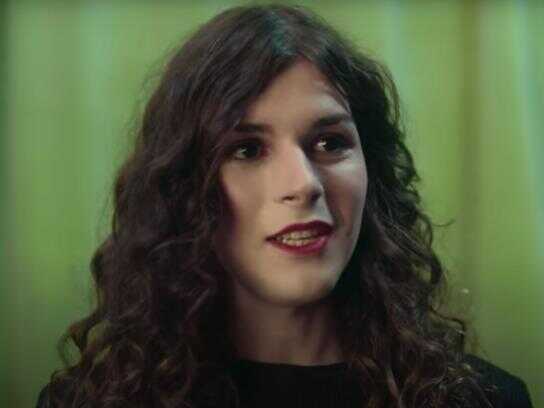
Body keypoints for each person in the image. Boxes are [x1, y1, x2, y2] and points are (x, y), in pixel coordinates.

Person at [36, 4, 533, 408]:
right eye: (247, 150)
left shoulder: (484, 400)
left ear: (372, 171)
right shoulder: (90, 402)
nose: (304, 184)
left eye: (330, 143)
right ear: (183, 188)